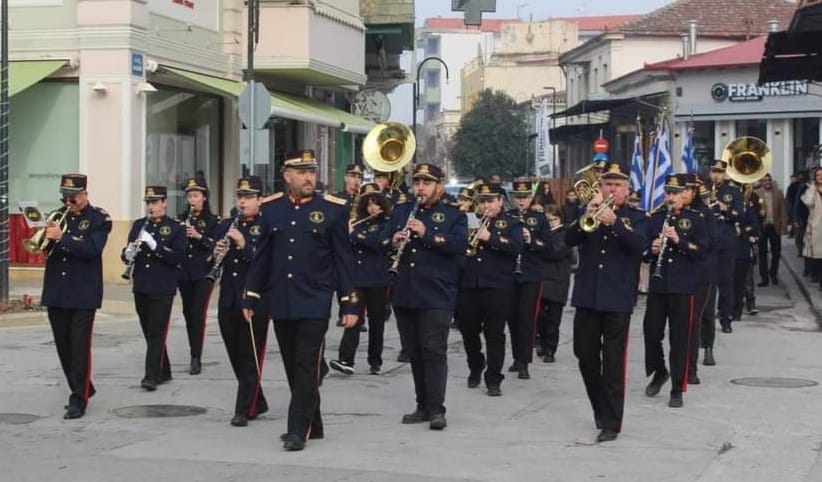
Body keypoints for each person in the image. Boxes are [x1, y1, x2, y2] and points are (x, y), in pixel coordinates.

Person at [242, 150, 358, 451]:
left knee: (307, 363)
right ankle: (313, 422)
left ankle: (297, 429)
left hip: (315, 300)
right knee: (293, 365)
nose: (309, 177)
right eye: (302, 171)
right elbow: (262, 257)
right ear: (287, 176)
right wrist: (251, 295)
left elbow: (344, 260)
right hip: (282, 299)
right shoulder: (271, 209)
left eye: (312, 171)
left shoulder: (332, 209)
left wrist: (349, 303)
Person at [379, 163, 467, 430]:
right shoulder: (402, 210)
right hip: (405, 292)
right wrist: (393, 239)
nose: (420, 188)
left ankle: (437, 408)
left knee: (434, 350)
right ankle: (422, 405)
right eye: (417, 182)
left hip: (437, 293)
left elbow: (459, 245)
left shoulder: (453, 215)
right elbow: (382, 240)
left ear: (439, 186)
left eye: (426, 183)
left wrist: (427, 234)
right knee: (415, 352)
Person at [565, 162, 648, 443]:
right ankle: (600, 406)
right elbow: (568, 239)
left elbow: (641, 247)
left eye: (617, 185)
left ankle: (611, 422)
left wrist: (614, 223)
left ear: (627, 190)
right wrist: (585, 217)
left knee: (613, 364)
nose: (611, 189)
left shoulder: (637, 217)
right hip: (587, 296)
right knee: (585, 356)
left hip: (617, 298)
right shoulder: (586, 210)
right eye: (607, 184)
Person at [40, 174, 111, 419]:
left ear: (85, 194)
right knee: (63, 347)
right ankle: (83, 386)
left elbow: (93, 249)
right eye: (65, 196)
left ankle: (78, 398)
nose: (68, 201)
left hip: (83, 292)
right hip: (57, 290)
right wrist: (45, 238)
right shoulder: (57, 216)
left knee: (80, 347)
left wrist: (63, 237)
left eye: (73, 197)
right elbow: (45, 250)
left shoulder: (99, 219)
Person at [643, 174, 709, 408]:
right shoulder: (656, 218)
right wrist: (652, 248)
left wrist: (678, 240)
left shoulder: (696, 218)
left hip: (683, 286)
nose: (670, 197)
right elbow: (642, 252)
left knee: (679, 338)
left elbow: (701, 250)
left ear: (685, 195)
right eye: (667, 192)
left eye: (675, 193)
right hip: (659, 285)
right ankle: (660, 371)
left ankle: (676, 389)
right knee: (651, 332)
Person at [212, 176, 270, 427]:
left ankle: (243, 409)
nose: (243, 202)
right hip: (228, 297)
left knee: (249, 355)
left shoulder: (267, 226)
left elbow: (267, 262)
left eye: (248, 198)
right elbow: (210, 258)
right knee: (235, 354)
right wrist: (215, 252)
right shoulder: (226, 224)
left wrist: (244, 243)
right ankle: (257, 400)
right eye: (240, 197)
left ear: (259, 200)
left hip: (255, 299)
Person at [123, 186, 186, 391]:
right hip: (141, 284)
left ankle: (151, 376)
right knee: (148, 330)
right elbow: (126, 254)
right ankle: (164, 369)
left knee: (157, 331)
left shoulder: (176, 227)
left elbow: (177, 257)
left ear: (164, 203)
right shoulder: (139, 225)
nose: (151, 207)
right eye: (148, 203)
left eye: (155, 202)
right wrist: (127, 253)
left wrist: (154, 245)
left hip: (162, 286)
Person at [329, 183, 393, 375]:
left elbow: (378, 244)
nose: (372, 208)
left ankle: (375, 361)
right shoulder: (358, 222)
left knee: (376, 323)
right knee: (353, 319)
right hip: (357, 278)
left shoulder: (387, 223)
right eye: (368, 204)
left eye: (375, 204)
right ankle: (346, 359)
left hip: (378, 279)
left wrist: (354, 234)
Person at [507, 180, 552, 380]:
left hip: (531, 274)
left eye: (525, 197)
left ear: (530, 198)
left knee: (527, 318)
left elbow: (548, 247)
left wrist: (530, 240)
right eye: (518, 197)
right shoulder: (507, 218)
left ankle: (524, 361)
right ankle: (517, 357)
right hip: (509, 275)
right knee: (512, 319)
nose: (521, 201)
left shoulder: (539, 219)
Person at [177, 178, 218, 375]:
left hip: (204, 272)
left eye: (196, 196)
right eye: (189, 196)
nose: (192, 200)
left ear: (204, 197)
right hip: (185, 272)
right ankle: (192, 349)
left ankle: (196, 356)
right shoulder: (180, 218)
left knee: (197, 313)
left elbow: (216, 246)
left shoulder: (213, 220)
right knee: (187, 313)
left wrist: (198, 236)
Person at [708, 160, 744, 333]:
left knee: (726, 282)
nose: (716, 175)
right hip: (707, 243)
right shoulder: (704, 191)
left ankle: (725, 317)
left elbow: (740, 216)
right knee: (707, 283)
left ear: (725, 174)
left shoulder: (733, 191)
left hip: (726, 242)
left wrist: (725, 209)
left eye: (720, 172)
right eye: (714, 172)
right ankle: (705, 320)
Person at [536, 204, 573, 363]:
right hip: (542, 278)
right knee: (540, 317)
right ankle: (541, 343)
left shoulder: (565, 233)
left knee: (553, 319)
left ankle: (550, 349)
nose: (551, 222)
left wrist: (539, 246)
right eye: (548, 219)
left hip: (558, 280)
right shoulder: (542, 232)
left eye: (554, 219)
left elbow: (557, 252)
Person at [755, 174, 786, 286]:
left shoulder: (778, 193)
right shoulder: (757, 193)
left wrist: (784, 226)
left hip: (774, 226)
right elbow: (753, 210)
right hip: (762, 226)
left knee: (776, 252)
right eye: (765, 180)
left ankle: (773, 274)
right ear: (762, 182)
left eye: (769, 180)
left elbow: (783, 210)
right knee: (762, 253)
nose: (767, 182)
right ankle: (764, 278)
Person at [800, 167, 822, 290]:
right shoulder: (811, 190)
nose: (820, 177)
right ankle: (819, 278)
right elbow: (807, 202)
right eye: (818, 175)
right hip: (816, 225)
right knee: (818, 256)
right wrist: (813, 188)